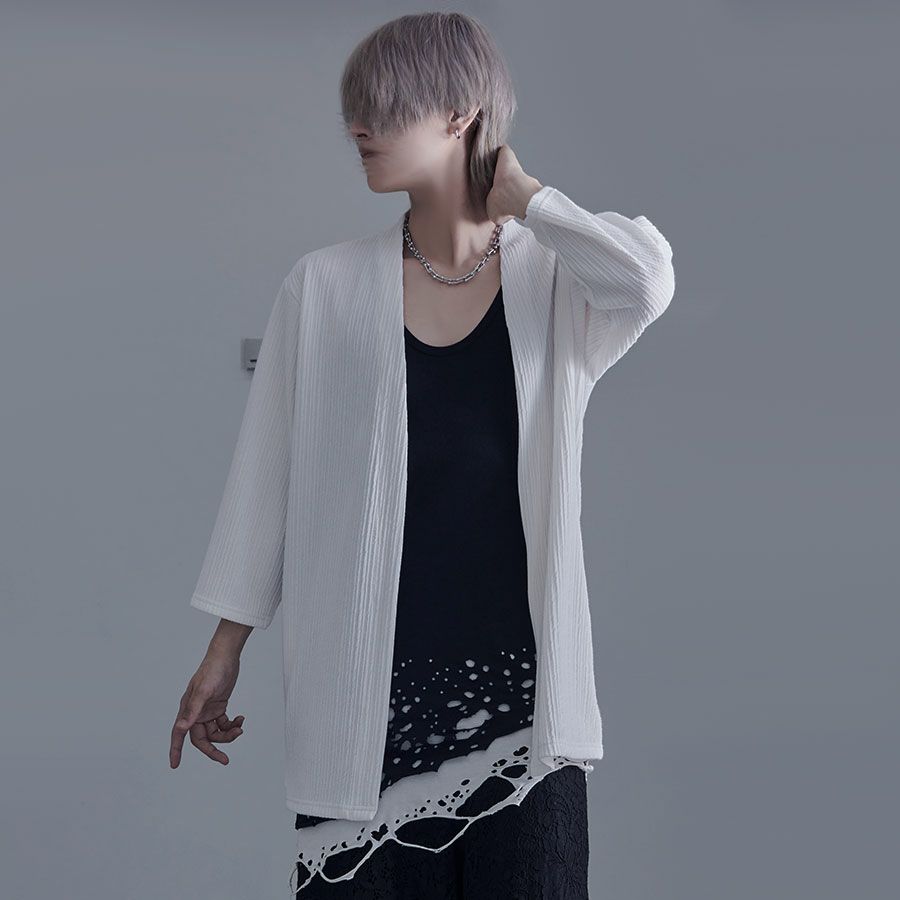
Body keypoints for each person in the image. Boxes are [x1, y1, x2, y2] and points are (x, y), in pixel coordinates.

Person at [169, 11, 675, 898]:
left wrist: (530, 201)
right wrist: (223, 652)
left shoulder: (556, 282)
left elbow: (645, 281)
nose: (357, 127)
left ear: (459, 114)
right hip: (364, 725)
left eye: (382, 107)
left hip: (528, 733)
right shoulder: (323, 289)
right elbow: (267, 479)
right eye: (352, 111)